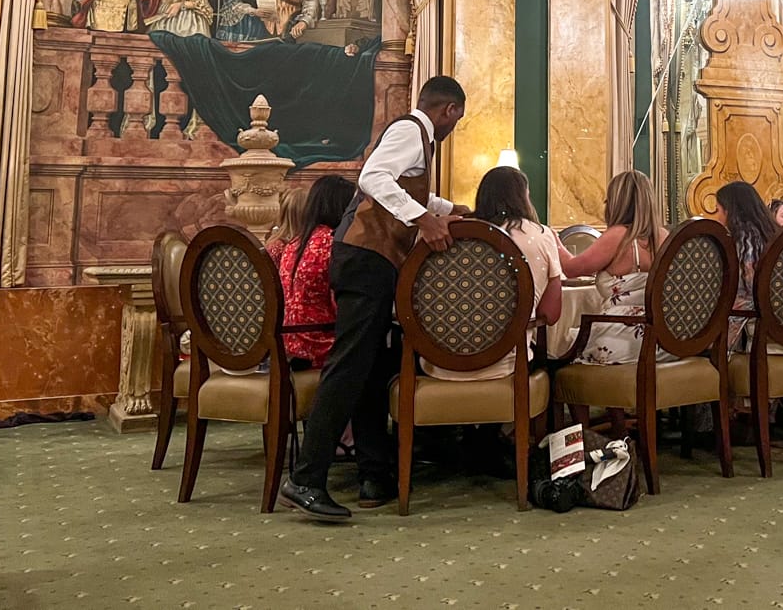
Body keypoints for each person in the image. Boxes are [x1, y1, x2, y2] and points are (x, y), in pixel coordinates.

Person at [279, 76, 467, 522]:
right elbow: (372, 177)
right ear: (451, 111)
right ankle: (306, 479)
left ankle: (372, 472)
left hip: (366, 259)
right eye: (457, 119)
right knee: (348, 368)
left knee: (365, 369)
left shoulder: (416, 138)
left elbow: (402, 185)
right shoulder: (411, 131)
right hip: (366, 259)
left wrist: (445, 209)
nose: (454, 127)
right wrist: (423, 219)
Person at [423, 166, 561, 382]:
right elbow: (550, 314)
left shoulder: (448, 232)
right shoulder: (540, 235)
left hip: (438, 366)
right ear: (524, 197)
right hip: (508, 365)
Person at [559, 170, 665, 365]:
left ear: (618, 203)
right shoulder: (663, 237)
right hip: (661, 340)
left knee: (556, 348)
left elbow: (571, 269)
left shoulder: (619, 236)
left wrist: (551, 240)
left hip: (621, 338)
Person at [268, 175, 355, 370]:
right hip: (320, 345)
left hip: (289, 344)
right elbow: (343, 305)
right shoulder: (333, 244)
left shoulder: (293, 244)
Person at [720, 181, 780, 353]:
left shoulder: (741, 242)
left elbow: (745, 294)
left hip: (749, 329)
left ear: (729, 211)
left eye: (718, 210)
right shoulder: (774, 236)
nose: (717, 217)